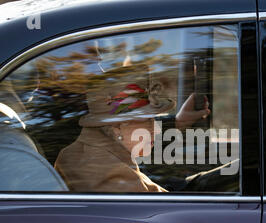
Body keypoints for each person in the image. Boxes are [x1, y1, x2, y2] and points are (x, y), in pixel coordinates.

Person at [54, 65, 210, 193]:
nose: (156, 130)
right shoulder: (108, 173)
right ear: (116, 127)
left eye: (153, 119)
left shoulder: (90, 152)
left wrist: (178, 122)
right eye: (147, 120)